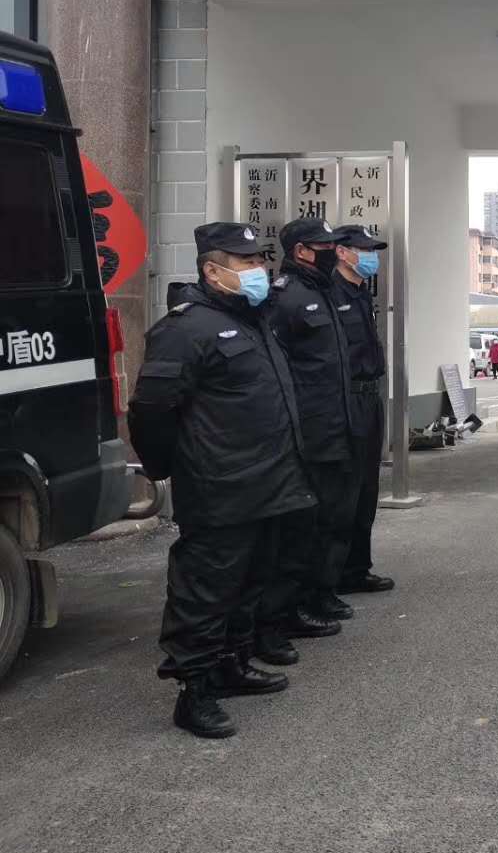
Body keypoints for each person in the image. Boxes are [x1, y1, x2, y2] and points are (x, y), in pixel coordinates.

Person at [128, 223, 317, 738]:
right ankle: (194, 692)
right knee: (205, 591)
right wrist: (170, 466)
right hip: (219, 486)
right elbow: (150, 410)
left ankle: (232, 665)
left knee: (250, 581)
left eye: (260, 260)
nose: (259, 270)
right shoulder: (185, 329)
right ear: (213, 272)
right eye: (246, 262)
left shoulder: (253, 320)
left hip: (270, 481)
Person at [263, 217, 358, 634]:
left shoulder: (323, 291)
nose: (332, 252)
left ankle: (321, 591)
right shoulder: (285, 298)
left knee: (333, 515)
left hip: (336, 424)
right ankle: (293, 606)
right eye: (325, 247)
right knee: (304, 523)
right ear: (301, 251)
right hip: (309, 432)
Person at [332, 225, 396, 597]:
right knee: (344, 490)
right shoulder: (330, 293)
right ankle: (332, 575)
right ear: (342, 252)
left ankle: (358, 568)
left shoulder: (360, 293)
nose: (371, 256)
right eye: (364, 249)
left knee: (367, 488)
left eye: (373, 250)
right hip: (346, 400)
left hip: (370, 399)